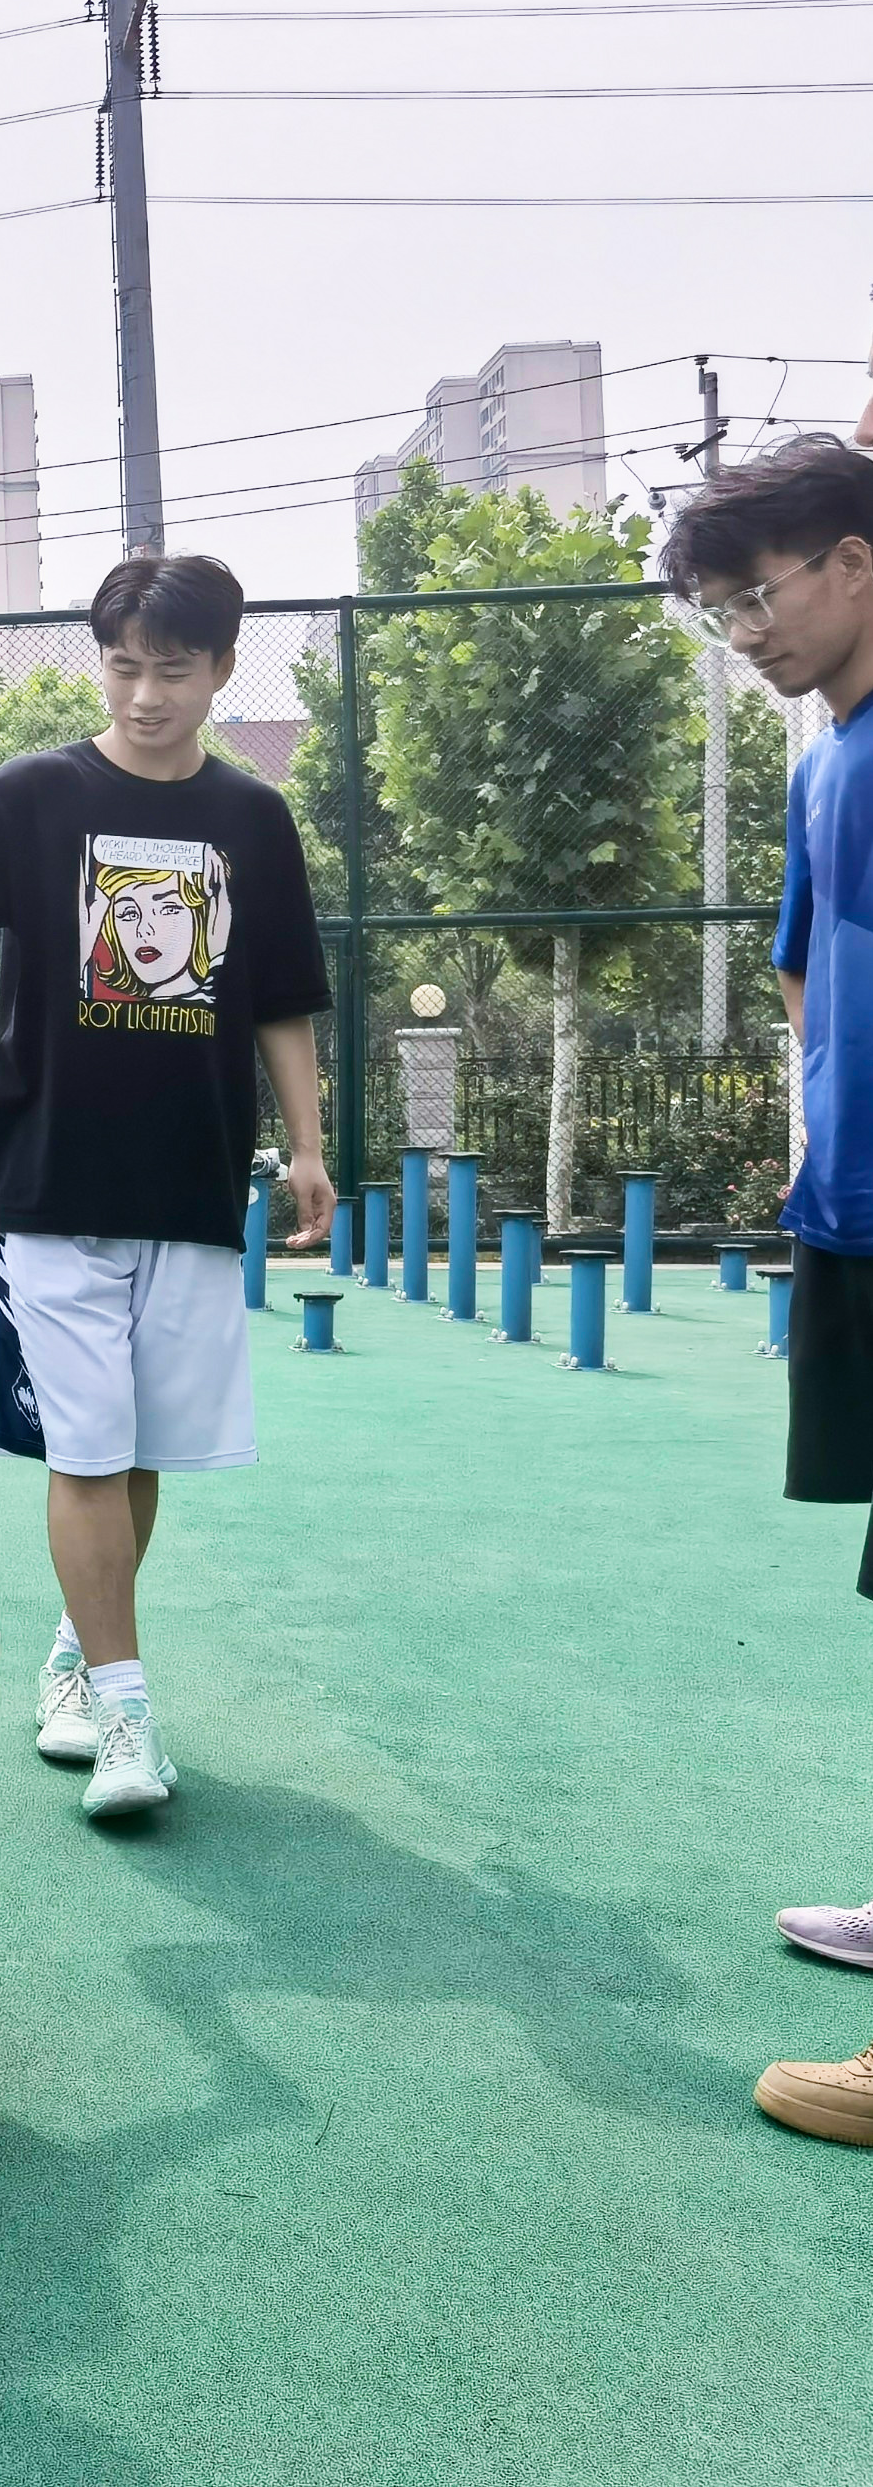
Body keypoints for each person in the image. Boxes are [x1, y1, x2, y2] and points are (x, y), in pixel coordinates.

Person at [0, 552, 334, 1821]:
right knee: (84, 1451)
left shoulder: (252, 819)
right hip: (46, 1182)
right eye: (122, 667)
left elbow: (281, 1000)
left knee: (139, 1454)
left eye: (170, 670)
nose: (142, 695)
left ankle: (79, 1654)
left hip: (188, 1183)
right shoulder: (35, 794)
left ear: (220, 669)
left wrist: (304, 1147)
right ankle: (127, 1718)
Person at [658, 440, 873, 2142]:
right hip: (854, 1218)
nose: (743, 632)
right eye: (719, 611)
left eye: (757, 593)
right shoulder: (826, 763)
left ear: (855, 560)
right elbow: (804, 973)